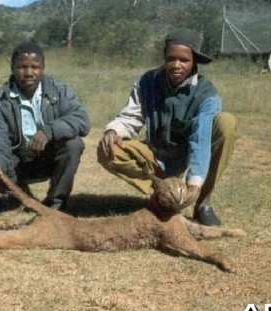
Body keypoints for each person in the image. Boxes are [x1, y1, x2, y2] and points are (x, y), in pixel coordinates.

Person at [97, 28, 236, 226]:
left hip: (188, 158)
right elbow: (132, 115)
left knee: (226, 123)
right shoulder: (147, 81)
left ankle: (203, 203)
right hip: (156, 155)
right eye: (171, 58)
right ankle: (163, 193)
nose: (176, 65)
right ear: (164, 57)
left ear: (194, 61)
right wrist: (114, 130)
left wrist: (194, 184)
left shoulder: (206, 93)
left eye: (184, 60)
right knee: (109, 150)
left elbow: (201, 138)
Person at [0, 42, 90, 210]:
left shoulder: (60, 91)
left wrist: (49, 131)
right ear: (12, 68)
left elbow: (82, 119)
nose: (29, 73)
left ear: (43, 68)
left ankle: (56, 204)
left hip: (49, 159)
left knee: (73, 144)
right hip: (16, 165)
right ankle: (19, 198)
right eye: (22, 67)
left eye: (35, 67)